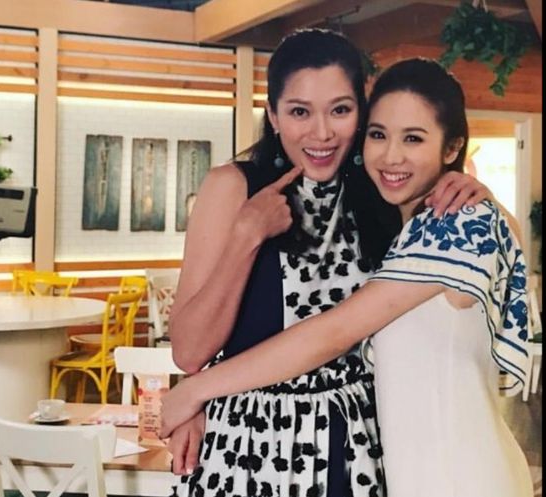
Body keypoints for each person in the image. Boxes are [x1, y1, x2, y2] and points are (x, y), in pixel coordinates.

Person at [161, 57, 532, 497]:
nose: (391, 155)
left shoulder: (457, 222)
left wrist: (196, 390)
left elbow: (334, 332)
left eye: (413, 138)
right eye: (379, 135)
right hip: (400, 472)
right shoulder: (402, 225)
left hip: (455, 477)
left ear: (451, 148)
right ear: (274, 115)